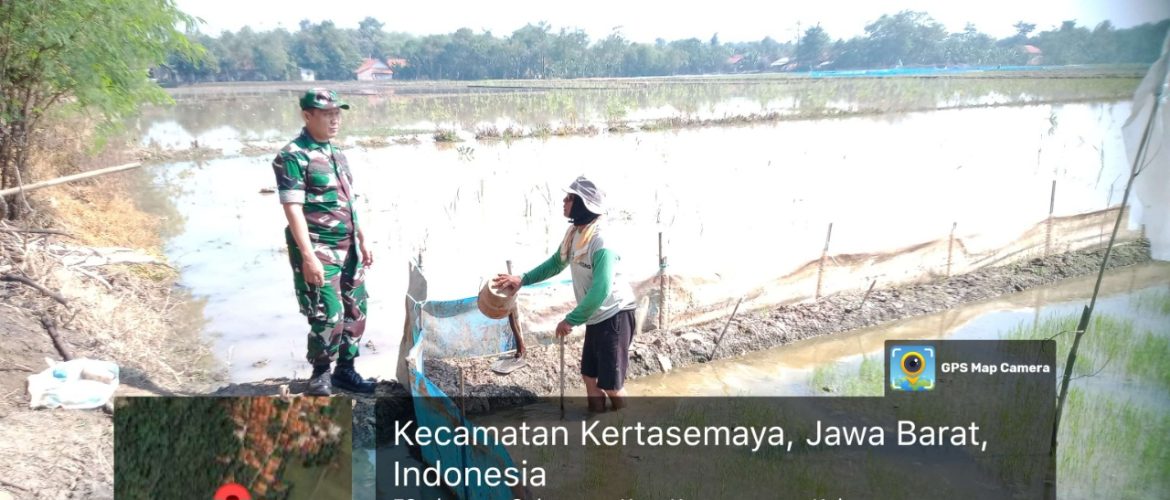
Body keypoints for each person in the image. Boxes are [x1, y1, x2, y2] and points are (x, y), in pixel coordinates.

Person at [493, 176, 637, 412]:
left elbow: (601, 290)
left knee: (611, 385)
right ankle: (598, 424)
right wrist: (522, 280)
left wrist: (571, 320)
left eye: (569, 198)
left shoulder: (602, 241)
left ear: (583, 204)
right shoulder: (575, 233)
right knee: (590, 377)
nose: (564, 201)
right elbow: (555, 264)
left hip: (615, 315)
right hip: (596, 316)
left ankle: (629, 428)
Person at [272, 88, 376, 396]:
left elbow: (349, 201)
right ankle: (320, 373)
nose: (335, 120)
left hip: (350, 247)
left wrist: (362, 237)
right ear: (307, 116)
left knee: (356, 309)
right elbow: (292, 207)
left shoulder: (336, 153)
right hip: (320, 246)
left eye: (337, 114)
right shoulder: (292, 155)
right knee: (328, 313)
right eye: (328, 114)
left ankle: (346, 370)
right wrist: (308, 257)